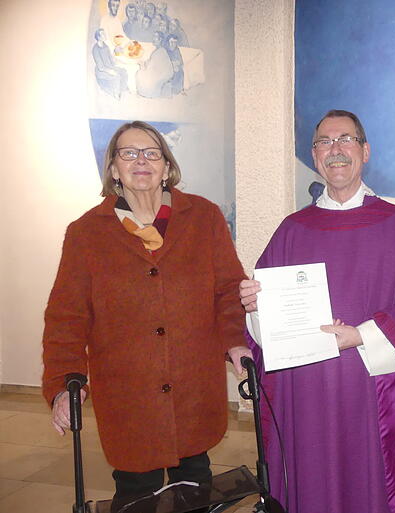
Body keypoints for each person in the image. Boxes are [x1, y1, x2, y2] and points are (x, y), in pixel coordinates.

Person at [239, 110, 395, 513]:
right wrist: (254, 305)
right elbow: (266, 318)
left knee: (366, 485)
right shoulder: (293, 229)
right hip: (304, 391)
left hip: (371, 390)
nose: (335, 150)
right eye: (324, 142)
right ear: (314, 155)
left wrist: (362, 336)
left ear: (365, 151)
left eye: (345, 140)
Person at [42, 121, 251, 507]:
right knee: (137, 495)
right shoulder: (86, 233)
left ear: (167, 166)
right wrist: (62, 382)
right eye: (129, 153)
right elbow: (66, 317)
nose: (141, 161)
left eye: (152, 152)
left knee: (196, 488)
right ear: (113, 168)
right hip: (128, 396)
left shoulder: (203, 217)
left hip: (193, 389)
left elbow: (227, 290)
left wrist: (236, 342)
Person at [92, 28, 128, 100]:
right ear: (98, 37)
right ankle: (116, 94)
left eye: (105, 33)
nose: (105, 35)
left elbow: (111, 59)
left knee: (123, 71)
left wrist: (120, 62)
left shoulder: (106, 46)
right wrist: (110, 71)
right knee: (116, 75)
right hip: (102, 71)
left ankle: (122, 88)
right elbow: (100, 67)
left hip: (110, 66)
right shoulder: (95, 49)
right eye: (103, 34)